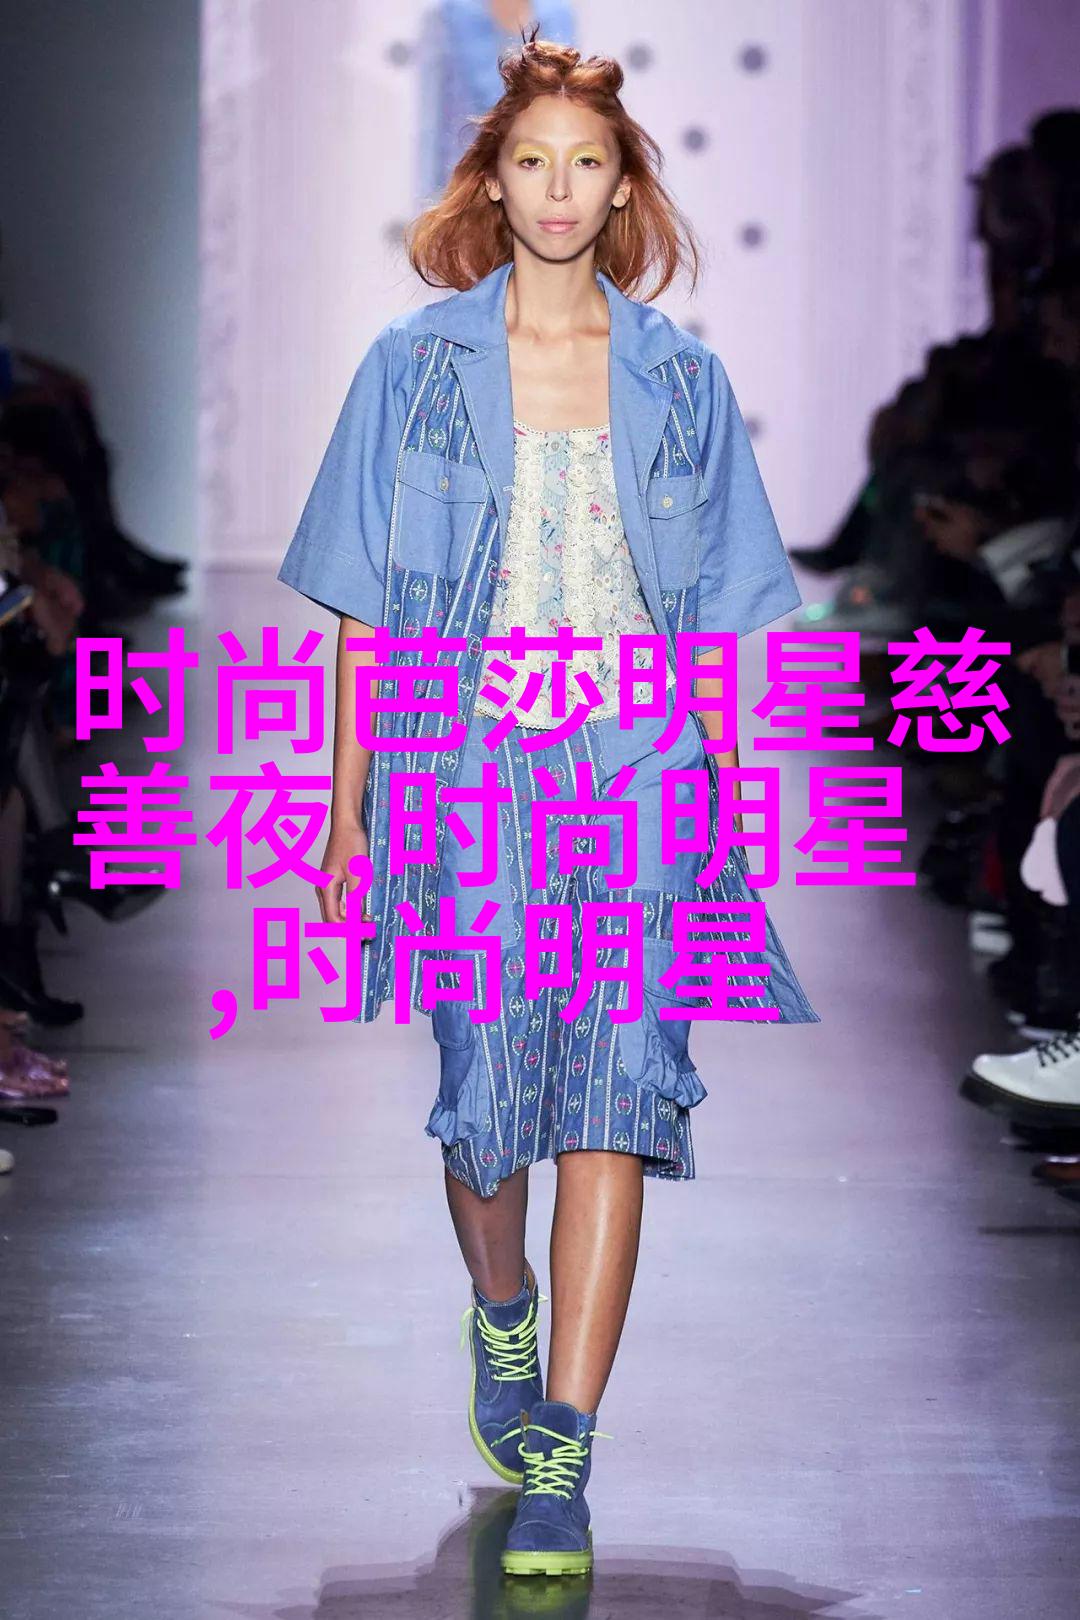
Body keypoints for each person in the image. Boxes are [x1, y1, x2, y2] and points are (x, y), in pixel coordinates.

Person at [278, 36, 818, 1579]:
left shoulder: (684, 380)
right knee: (489, 1099)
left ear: (626, 185)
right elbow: (364, 608)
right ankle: (501, 1313)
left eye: (589, 163)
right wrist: (346, 810)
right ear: (495, 183)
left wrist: (720, 797)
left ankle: (566, 1455)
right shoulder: (413, 367)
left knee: (617, 1098)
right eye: (533, 162)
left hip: (639, 764)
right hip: (465, 764)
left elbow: (715, 618)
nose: (561, 189)